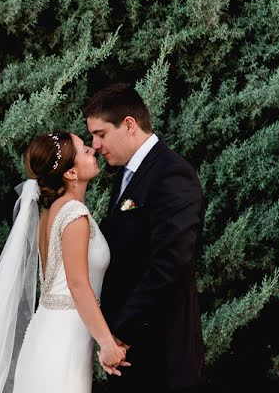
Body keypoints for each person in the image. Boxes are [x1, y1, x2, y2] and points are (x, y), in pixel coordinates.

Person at [0, 131, 128, 393]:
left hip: (47, 335)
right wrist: (107, 344)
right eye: (83, 149)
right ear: (70, 173)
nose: (92, 150)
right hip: (62, 344)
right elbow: (77, 286)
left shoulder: (51, 212)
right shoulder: (75, 214)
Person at [84, 83, 205, 392]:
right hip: (130, 354)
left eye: (100, 134)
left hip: (160, 352)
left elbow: (171, 262)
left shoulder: (172, 174)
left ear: (128, 125)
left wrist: (121, 333)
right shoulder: (126, 175)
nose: (95, 145)